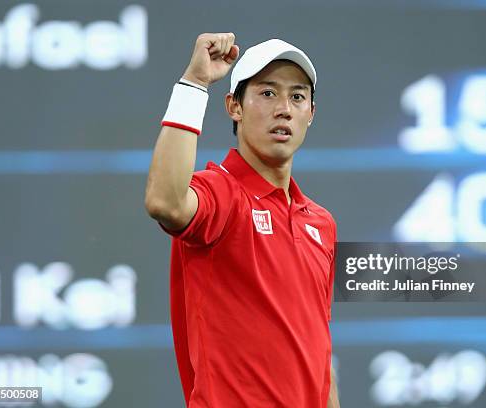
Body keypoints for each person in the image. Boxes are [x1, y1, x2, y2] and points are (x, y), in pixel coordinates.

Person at [145, 32, 340, 408]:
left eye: (297, 97)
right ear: (234, 106)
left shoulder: (321, 222)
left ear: (311, 114)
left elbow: (317, 348)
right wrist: (195, 84)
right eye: (267, 93)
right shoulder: (221, 193)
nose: (284, 108)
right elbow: (165, 202)